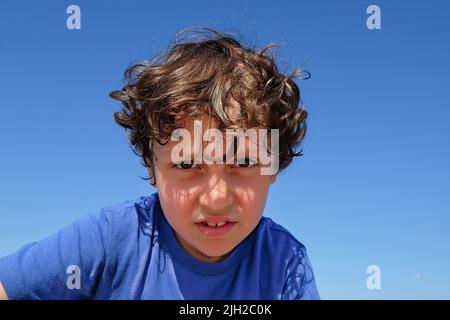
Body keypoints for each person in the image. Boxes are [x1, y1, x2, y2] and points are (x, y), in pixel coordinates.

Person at [0, 27, 320, 300]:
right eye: (186, 164)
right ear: (152, 167)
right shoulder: (111, 239)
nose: (217, 197)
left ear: (273, 167)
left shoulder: (285, 264)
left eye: (244, 162)